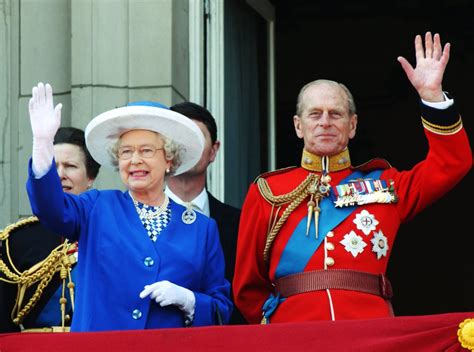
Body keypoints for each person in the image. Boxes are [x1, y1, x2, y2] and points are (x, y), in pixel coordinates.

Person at [233, 32, 472, 324]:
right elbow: (248, 289)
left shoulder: (387, 184)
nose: (325, 122)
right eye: (314, 114)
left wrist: (432, 97)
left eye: (336, 114)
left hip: (369, 330)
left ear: (352, 125)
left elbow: (452, 163)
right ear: (298, 126)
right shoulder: (267, 191)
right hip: (293, 333)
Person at [25, 84, 232, 331]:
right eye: (125, 152)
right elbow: (51, 209)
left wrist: (190, 301)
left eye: (146, 150)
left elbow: (222, 308)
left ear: (169, 158)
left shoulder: (201, 228)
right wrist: (42, 146)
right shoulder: (96, 208)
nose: (135, 160)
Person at [0, 127, 100, 332]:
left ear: (90, 178)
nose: (60, 175)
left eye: (70, 166)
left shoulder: (110, 233)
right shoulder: (16, 241)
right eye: (53, 166)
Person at [166, 102, 245, 324]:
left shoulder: (241, 224)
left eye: (196, 139)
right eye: (178, 139)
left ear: (214, 150)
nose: (187, 148)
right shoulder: (134, 218)